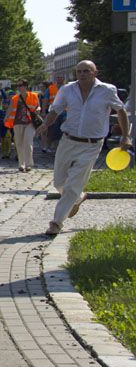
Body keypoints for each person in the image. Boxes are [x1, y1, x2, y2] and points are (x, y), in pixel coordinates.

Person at [36, 61, 130, 236]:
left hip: (92, 144)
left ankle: (56, 223)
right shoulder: (67, 90)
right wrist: (46, 125)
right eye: (79, 71)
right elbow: (55, 110)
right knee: (59, 182)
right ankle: (78, 198)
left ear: (95, 72)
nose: (82, 74)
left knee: (73, 184)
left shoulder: (107, 90)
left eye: (86, 71)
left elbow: (121, 111)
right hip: (68, 140)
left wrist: (125, 136)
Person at [7, 79, 40, 172]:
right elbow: (10, 109)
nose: (19, 87)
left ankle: (28, 164)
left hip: (30, 122)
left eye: (21, 85)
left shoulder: (34, 95)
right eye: (18, 85)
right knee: (19, 143)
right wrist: (6, 117)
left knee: (28, 142)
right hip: (17, 122)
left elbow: (38, 106)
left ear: (26, 86)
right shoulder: (15, 98)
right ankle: (21, 164)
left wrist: (38, 109)